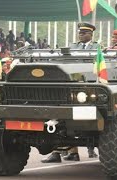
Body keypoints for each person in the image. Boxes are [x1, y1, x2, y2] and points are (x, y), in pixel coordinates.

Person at [42, 22, 99, 163]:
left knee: (71, 121)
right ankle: (65, 153)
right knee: (59, 117)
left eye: (84, 33)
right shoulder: (73, 47)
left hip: (86, 82)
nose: (81, 35)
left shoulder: (97, 47)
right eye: (80, 32)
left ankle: (69, 153)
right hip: (68, 82)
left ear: (91, 34)